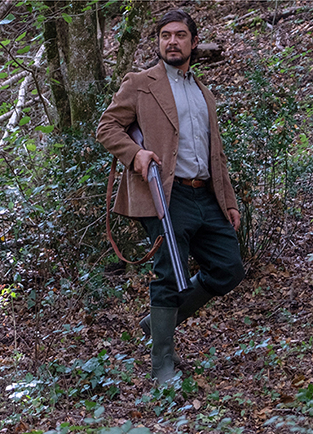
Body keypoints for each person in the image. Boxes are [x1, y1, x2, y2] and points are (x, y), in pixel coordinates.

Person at [96, 10, 244, 384]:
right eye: (165, 36)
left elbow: (215, 153)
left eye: (180, 35)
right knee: (167, 274)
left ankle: (157, 322)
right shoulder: (140, 84)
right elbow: (107, 127)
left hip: (204, 195)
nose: (172, 41)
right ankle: (162, 365)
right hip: (164, 194)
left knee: (228, 269)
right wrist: (136, 154)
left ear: (194, 43)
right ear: (158, 42)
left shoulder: (203, 93)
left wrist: (228, 201)